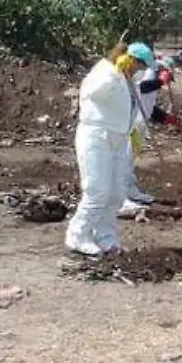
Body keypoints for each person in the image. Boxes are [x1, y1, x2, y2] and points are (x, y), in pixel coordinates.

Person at [65, 42, 152, 256]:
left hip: (118, 139)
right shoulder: (103, 71)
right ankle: (78, 235)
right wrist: (115, 73)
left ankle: (106, 237)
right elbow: (93, 93)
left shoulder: (128, 80)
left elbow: (130, 107)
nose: (139, 70)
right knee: (97, 190)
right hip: (97, 136)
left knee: (115, 193)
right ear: (128, 58)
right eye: (138, 65)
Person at [119, 45, 171, 211]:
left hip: (142, 123)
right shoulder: (149, 75)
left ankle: (131, 190)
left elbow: (148, 104)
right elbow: (143, 88)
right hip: (134, 123)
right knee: (125, 159)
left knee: (131, 158)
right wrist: (161, 80)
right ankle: (123, 195)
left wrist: (166, 118)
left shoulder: (152, 77)